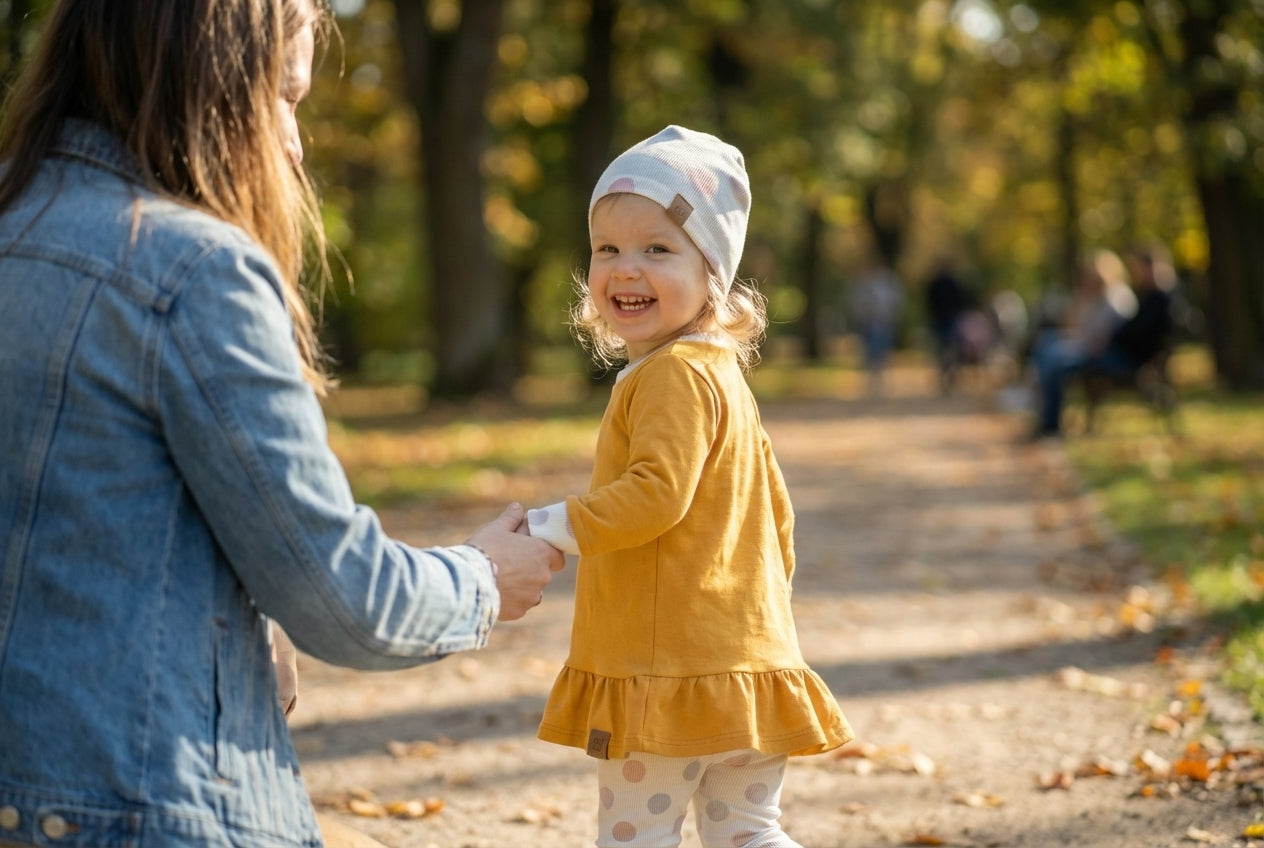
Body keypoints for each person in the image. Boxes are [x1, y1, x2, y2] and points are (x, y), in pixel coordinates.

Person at [0, 2, 563, 847]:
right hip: (143, 812)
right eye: (286, 98)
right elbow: (347, 600)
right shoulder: (193, 270)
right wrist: (485, 578)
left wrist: (247, 622)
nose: (295, 144)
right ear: (212, 83)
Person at [524, 126, 853, 847]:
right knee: (749, 833)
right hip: (741, 671)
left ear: (713, 274)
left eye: (657, 249)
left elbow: (655, 494)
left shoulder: (671, 376)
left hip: (664, 682)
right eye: (607, 248)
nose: (625, 268)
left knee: (637, 836)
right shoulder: (719, 373)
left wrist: (551, 528)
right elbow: (778, 516)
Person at [1029, 242, 1174, 439]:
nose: (1136, 272)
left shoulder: (1157, 299)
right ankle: (1044, 416)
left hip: (1124, 359)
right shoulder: (1148, 297)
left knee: (1055, 363)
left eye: (1139, 267)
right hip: (1112, 352)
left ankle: (1050, 423)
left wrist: (1109, 340)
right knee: (1049, 348)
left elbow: (1135, 336)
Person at [848, 256, 905, 395]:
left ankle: (880, 377)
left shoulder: (888, 282)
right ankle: (872, 378)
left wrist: (893, 315)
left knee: (883, 350)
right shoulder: (863, 283)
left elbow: (896, 301)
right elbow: (856, 303)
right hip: (869, 322)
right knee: (870, 350)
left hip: (885, 321)